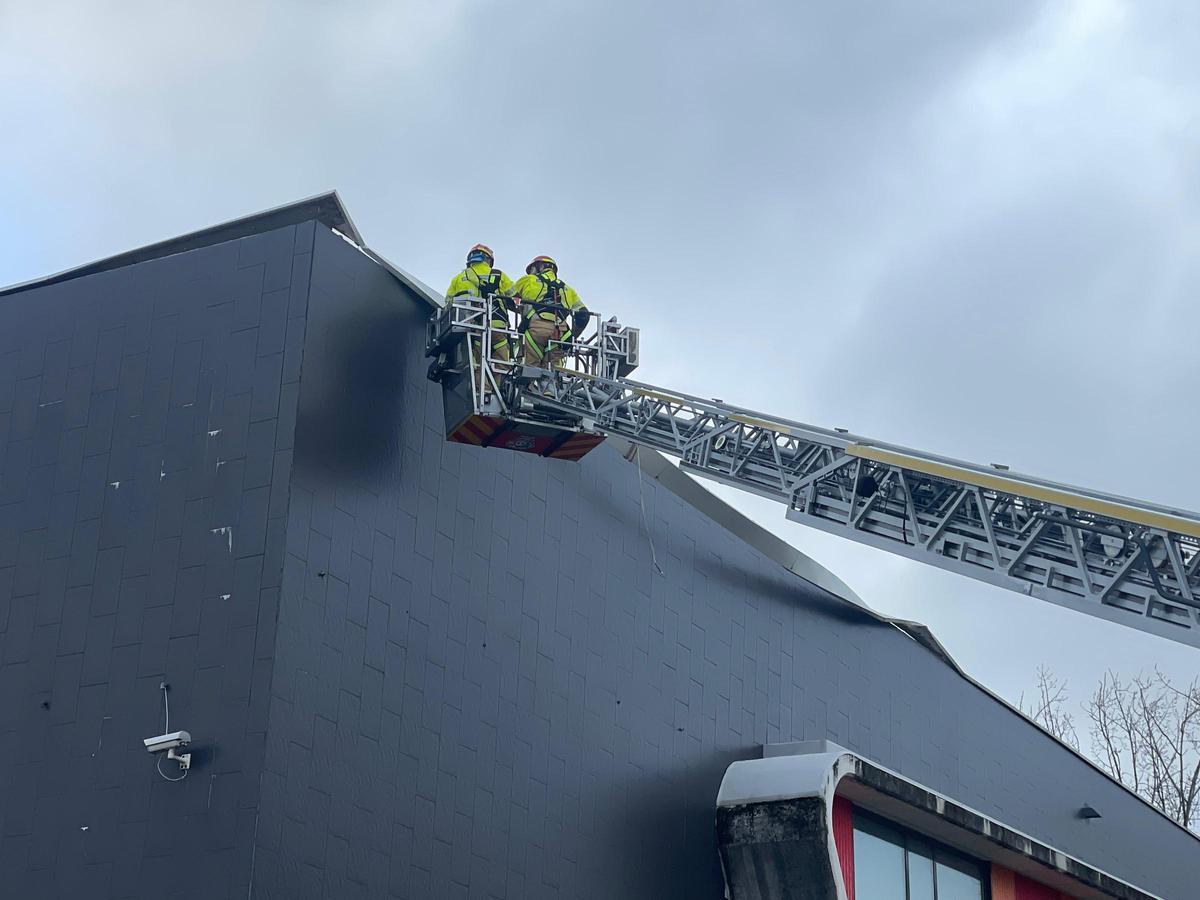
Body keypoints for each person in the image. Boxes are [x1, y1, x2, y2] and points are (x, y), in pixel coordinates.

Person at [510, 256, 589, 368]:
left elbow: (509, 299)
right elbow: (584, 316)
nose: (530, 274)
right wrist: (570, 339)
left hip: (535, 329)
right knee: (553, 374)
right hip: (560, 333)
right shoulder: (567, 289)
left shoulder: (528, 280)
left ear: (540, 267)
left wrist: (521, 309)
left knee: (528, 371)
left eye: (531, 270)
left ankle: (527, 385)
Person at [444, 244, 517, 365]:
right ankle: (497, 383)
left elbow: (448, 304)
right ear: (488, 259)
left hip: (468, 326)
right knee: (503, 362)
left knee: (477, 364)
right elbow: (515, 297)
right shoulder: (498, 275)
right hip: (496, 324)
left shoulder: (458, 278)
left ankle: (481, 383)